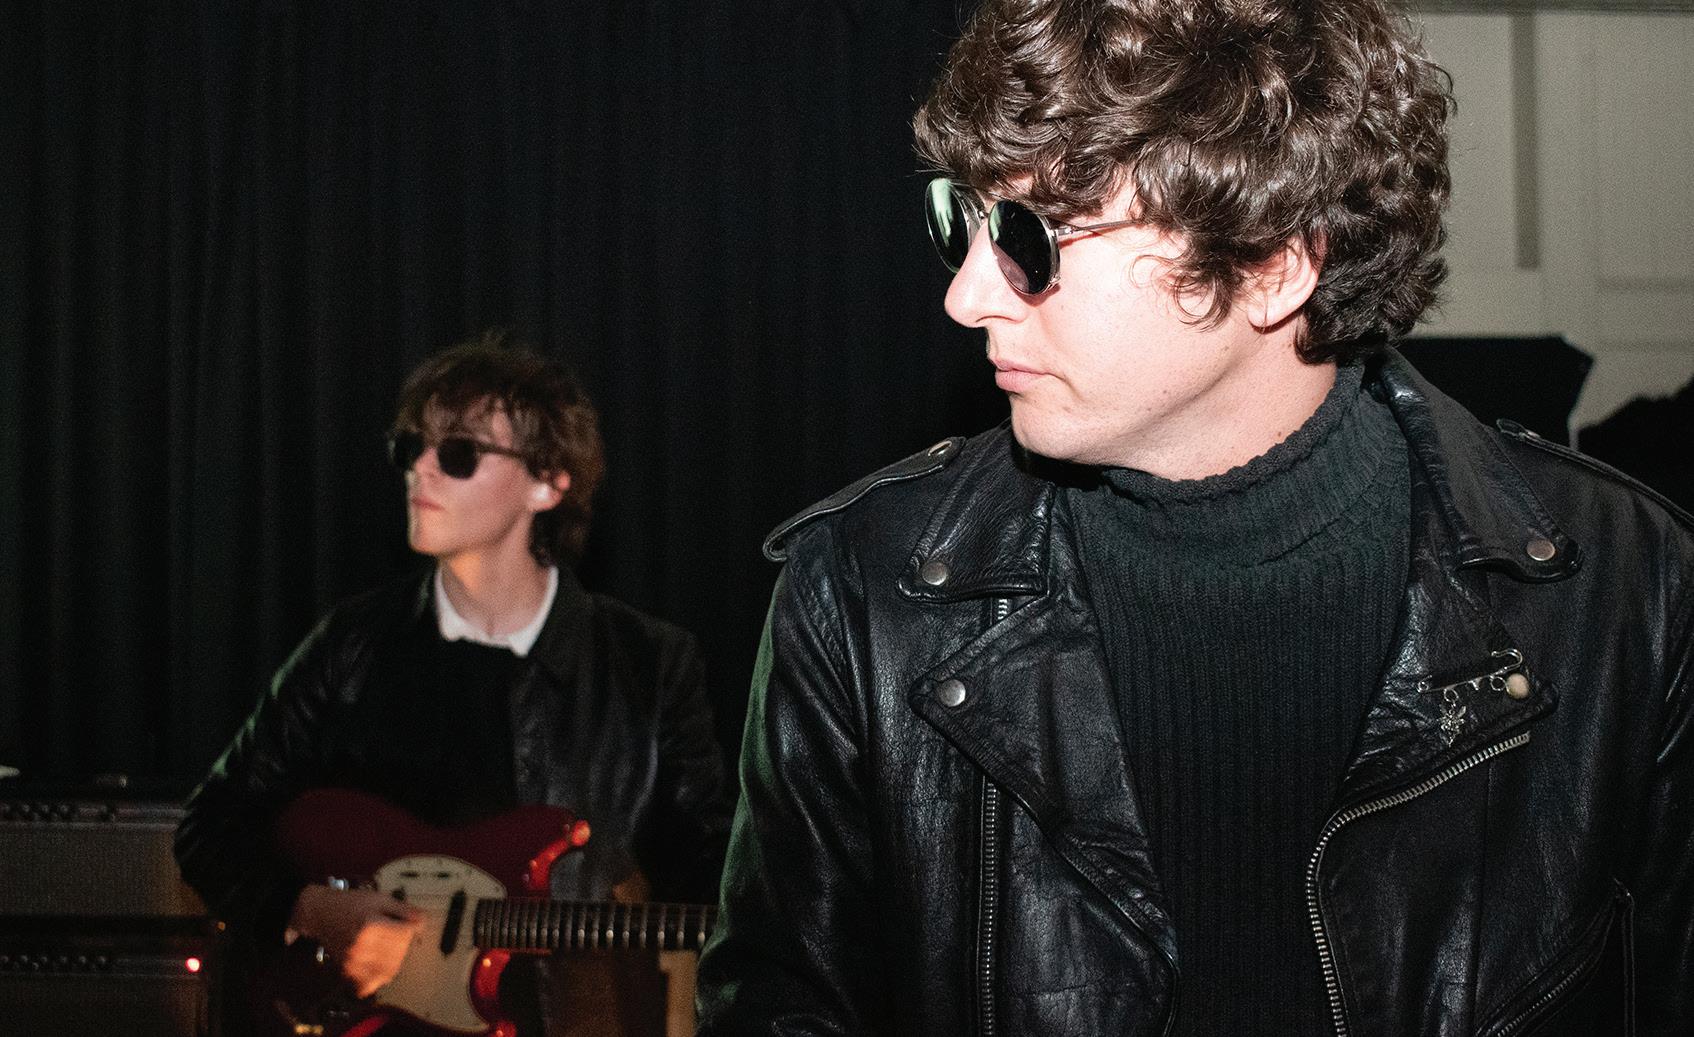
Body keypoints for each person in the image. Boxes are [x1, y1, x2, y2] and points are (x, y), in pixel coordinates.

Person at [695, 1, 1694, 1034]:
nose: (966, 296)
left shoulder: (1629, 593)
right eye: (968, 219)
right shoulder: (865, 593)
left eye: (1030, 238)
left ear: (1273, 265)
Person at [176, 333, 732, 1037]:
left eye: (459, 453)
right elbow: (211, 824)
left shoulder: (648, 664)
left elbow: (712, 867)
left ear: (548, 482)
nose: (421, 469)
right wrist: (309, 907)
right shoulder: (354, 646)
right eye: (413, 447)